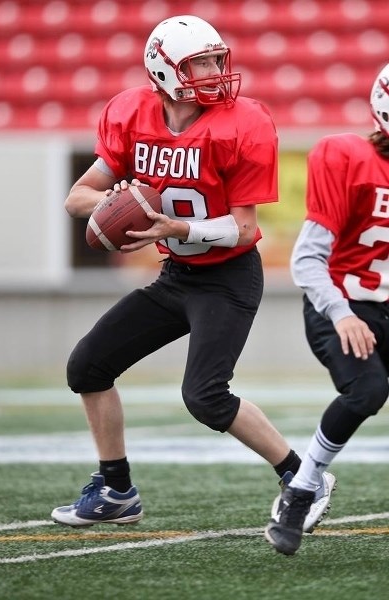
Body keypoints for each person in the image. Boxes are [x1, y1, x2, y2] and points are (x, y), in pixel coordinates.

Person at [51, 15, 335, 529]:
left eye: (214, 59)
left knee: (205, 396)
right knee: (87, 367)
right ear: (162, 70)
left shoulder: (242, 121)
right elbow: (78, 199)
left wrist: (173, 228)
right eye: (198, 62)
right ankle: (116, 490)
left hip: (227, 278)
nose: (213, 71)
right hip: (177, 276)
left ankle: (301, 477)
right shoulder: (130, 113)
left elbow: (247, 231)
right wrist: (115, 198)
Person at [265, 62, 389, 555]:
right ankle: (302, 487)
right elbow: (306, 259)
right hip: (339, 302)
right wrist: (342, 313)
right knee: (367, 391)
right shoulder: (349, 158)